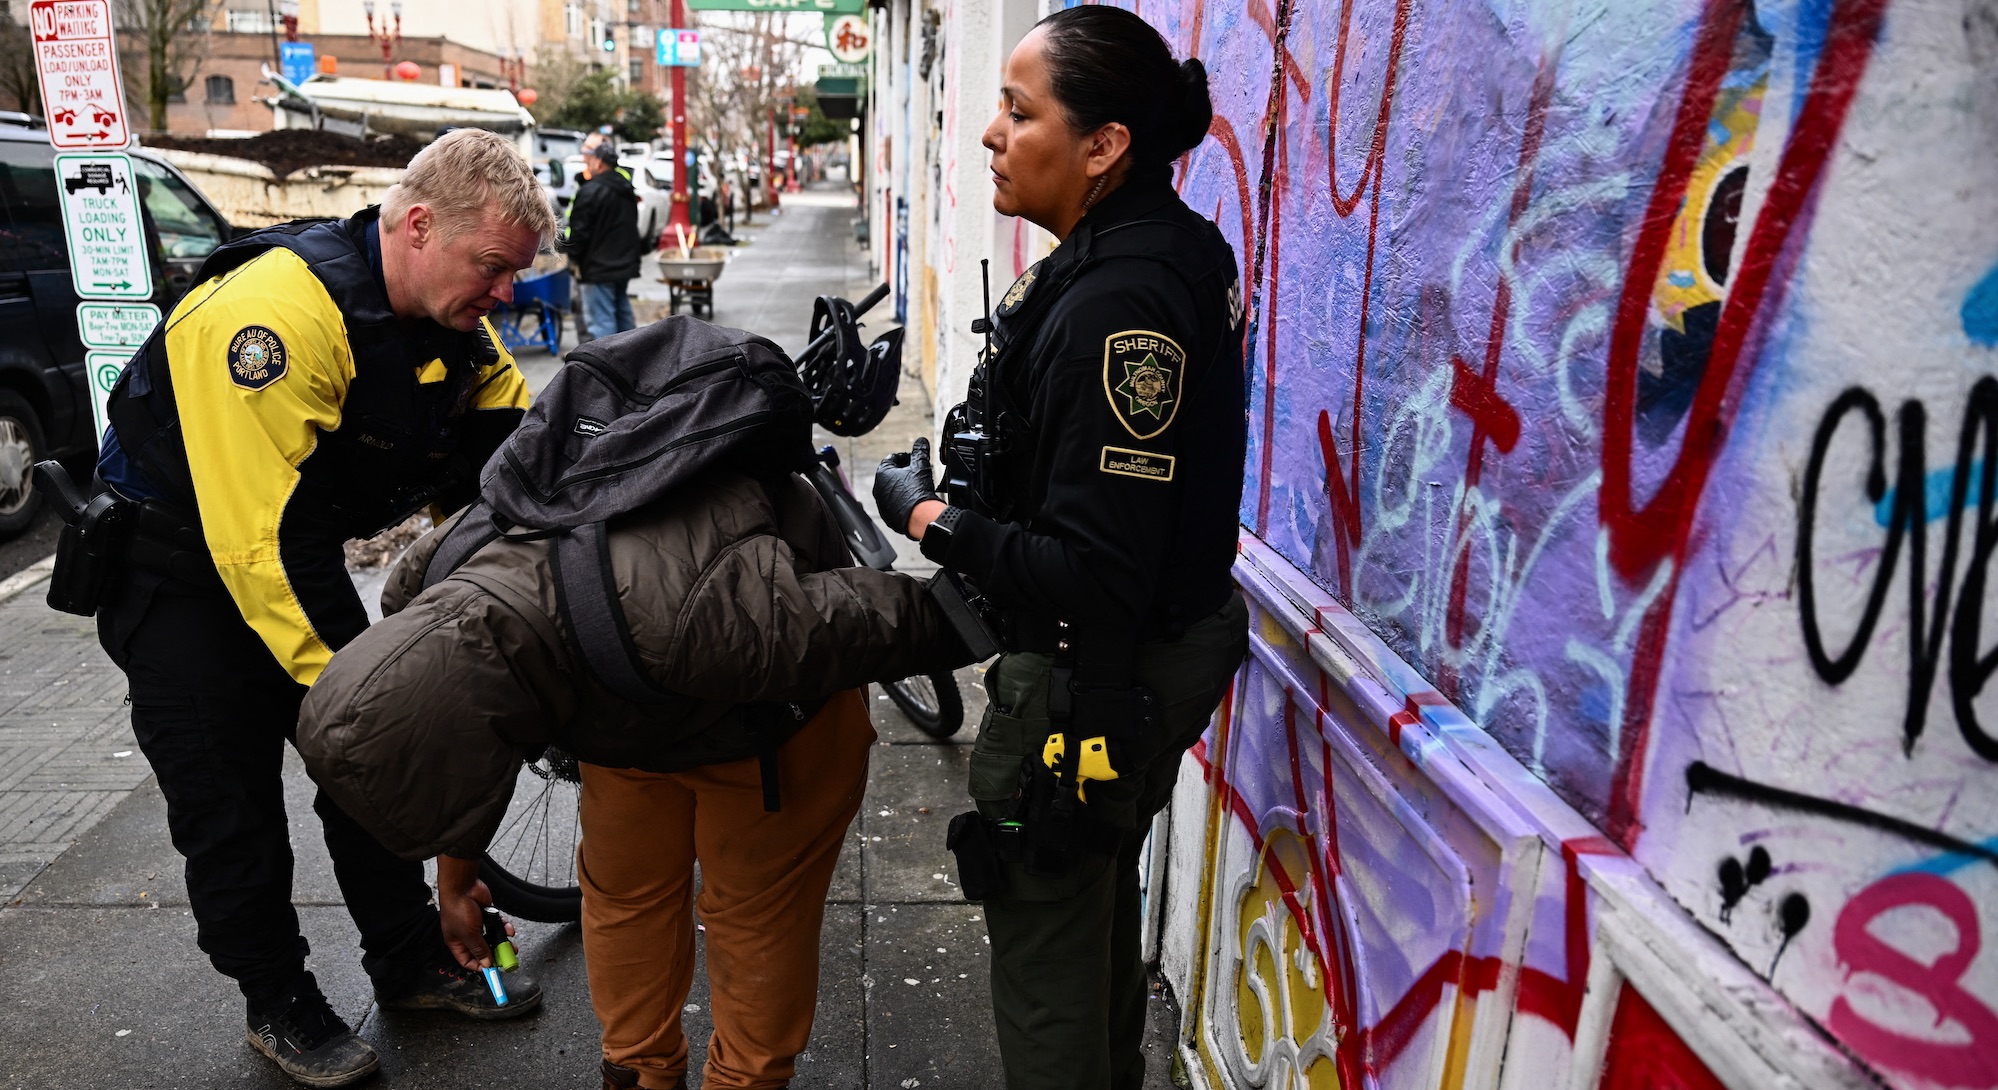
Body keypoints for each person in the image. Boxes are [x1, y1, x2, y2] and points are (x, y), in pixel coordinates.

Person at [293, 316, 972, 1090]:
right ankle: (639, 1075)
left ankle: (741, 1080)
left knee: (752, 917)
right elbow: (447, 728)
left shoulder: (700, 621)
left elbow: (886, 618)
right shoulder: (431, 574)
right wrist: (454, 879)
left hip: (766, 724)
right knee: (624, 896)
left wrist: (1001, 599)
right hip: (622, 702)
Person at [91, 128, 558, 1087]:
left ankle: (408, 958)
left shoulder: (456, 321)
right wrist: (366, 690)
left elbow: (507, 474)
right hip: (181, 580)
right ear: (420, 225)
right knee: (233, 809)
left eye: (515, 274)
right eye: (495, 268)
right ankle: (279, 1001)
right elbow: (261, 543)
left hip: (284, 559)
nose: (508, 294)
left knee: (365, 774)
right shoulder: (272, 318)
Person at [871, 8, 1248, 1089]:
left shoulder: (1120, 299)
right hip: (1133, 661)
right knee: (1087, 917)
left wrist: (929, 520)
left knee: (1043, 943)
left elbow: (1097, 569)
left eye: (1019, 110)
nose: (991, 133)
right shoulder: (1140, 252)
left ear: (1105, 146)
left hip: (1091, 678)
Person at [566, 141, 643, 341]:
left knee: (602, 323)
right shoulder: (626, 190)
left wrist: (573, 256)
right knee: (622, 314)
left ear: (599, 163)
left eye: (591, 160)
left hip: (597, 267)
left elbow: (580, 232)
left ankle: (607, 369)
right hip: (623, 265)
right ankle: (634, 360)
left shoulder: (590, 191)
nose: (589, 164)